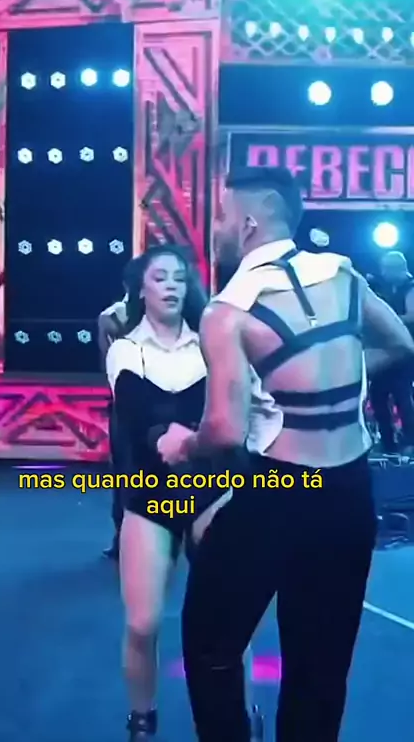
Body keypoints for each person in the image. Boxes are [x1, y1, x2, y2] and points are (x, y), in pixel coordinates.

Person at [157, 166, 414, 742]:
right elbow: (401, 343)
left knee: (211, 644)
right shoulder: (344, 275)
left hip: (279, 493)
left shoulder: (227, 312)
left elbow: (224, 431)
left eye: (221, 216)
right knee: (321, 666)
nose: (215, 228)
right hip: (349, 493)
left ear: (248, 223)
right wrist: (334, 383)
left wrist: (182, 444)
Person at [105, 245, 261, 741]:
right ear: (141, 289)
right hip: (151, 496)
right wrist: (176, 438)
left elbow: (236, 411)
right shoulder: (125, 350)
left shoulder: (213, 345)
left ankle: (243, 713)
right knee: (143, 623)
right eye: (160, 278)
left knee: (229, 620)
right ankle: (141, 720)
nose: (171, 286)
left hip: (212, 490)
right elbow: (138, 418)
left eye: (178, 278)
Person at [98, 260, 139, 560]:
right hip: (130, 404)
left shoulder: (109, 317)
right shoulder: (112, 317)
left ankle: (126, 535)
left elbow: (106, 363)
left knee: (126, 472)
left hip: (131, 402)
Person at [367, 250, 414, 454]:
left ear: (397, 268)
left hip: (405, 351)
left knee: (402, 395)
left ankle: (410, 440)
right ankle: (387, 441)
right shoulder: (388, 289)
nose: (383, 273)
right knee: (377, 395)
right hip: (387, 352)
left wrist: (387, 322)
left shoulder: (410, 288)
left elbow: (412, 316)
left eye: (386, 269)